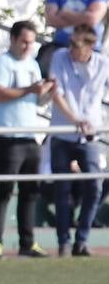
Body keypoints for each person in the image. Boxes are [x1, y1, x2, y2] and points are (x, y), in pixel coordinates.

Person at [0, 20, 54, 259]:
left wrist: (49, 93)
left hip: (28, 135)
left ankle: (28, 242)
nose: (27, 46)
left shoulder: (33, 65)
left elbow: (37, 101)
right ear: (13, 39)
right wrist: (29, 90)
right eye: (24, 41)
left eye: (31, 42)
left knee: (30, 191)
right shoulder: (2, 63)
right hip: (7, 136)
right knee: (3, 190)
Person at [47, 24, 108, 256]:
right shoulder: (60, 57)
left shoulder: (103, 64)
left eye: (76, 44)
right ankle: (63, 240)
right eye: (70, 43)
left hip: (90, 135)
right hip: (63, 133)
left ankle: (81, 239)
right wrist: (75, 120)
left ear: (91, 46)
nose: (71, 48)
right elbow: (57, 94)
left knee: (95, 185)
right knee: (62, 188)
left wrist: (85, 123)